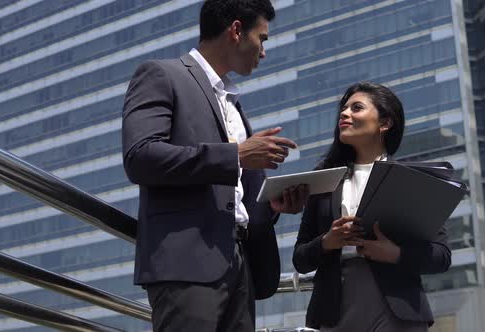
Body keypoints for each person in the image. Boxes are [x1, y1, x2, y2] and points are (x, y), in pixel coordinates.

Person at [122, 1, 308, 331]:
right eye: (262, 39)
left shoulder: (234, 106)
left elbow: (236, 201)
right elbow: (141, 157)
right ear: (236, 31)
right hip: (186, 267)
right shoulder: (162, 74)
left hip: (240, 267)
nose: (263, 52)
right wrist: (235, 155)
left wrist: (274, 206)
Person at [292, 82, 451, 332]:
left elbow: (441, 256)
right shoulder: (324, 180)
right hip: (333, 309)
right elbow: (300, 259)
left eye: (356, 108)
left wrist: (395, 253)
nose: (344, 114)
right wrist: (328, 241)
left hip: (396, 310)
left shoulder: (410, 182)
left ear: (385, 123)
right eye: (343, 109)